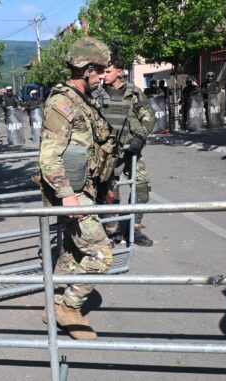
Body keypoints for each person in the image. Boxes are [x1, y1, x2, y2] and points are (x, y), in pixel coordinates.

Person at [38, 36, 113, 340]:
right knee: (101, 254)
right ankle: (69, 307)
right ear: (86, 70)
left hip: (86, 188)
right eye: (100, 71)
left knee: (71, 251)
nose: (104, 76)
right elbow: (48, 155)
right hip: (72, 192)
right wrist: (67, 196)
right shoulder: (62, 103)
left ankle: (53, 305)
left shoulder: (83, 101)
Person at [91, 55, 155, 247]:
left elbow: (148, 117)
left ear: (119, 72)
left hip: (130, 150)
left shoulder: (134, 93)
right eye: (102, 71)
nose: (103, 75)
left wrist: (141, 136)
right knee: (110, 194)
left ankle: (133, 228)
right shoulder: (97, 94)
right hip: (107, 154)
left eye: (108, 71)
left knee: (142, 187)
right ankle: (113, 231)